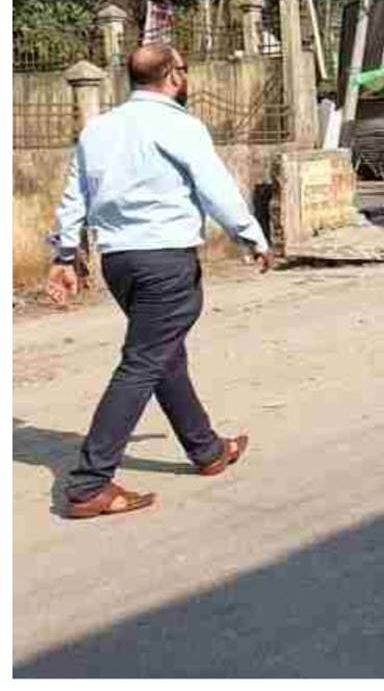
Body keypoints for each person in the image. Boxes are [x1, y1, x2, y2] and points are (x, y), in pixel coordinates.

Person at [45, 43, 271, 520]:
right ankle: (89, 484)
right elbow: (216, 187)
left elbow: (73, 196)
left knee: (163, 352)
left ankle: (207, 449)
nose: (185, 78)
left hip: (119, 262)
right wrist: (251, 235)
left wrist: (64, 253)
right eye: (183, 71)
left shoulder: (98, 130)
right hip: (165, 260)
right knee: (144, 361)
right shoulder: (180, 126)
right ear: (172, 76)